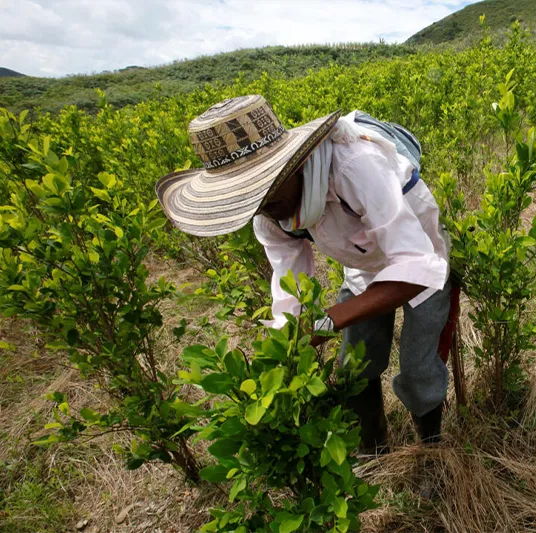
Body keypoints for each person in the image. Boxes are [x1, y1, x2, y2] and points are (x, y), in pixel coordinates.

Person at [156, 95, 451, 454]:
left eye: (266, 188)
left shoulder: (355, 166)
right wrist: (285, 347)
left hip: (421, 254)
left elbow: (416, 268)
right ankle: (372, 453)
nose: (262, 206)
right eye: (249, 197)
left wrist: (325, 324)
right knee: (356, 370)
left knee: (420, 371)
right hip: (363, 267)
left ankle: (432, 450)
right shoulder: (269, 214)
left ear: (294, 164)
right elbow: (288, 291)